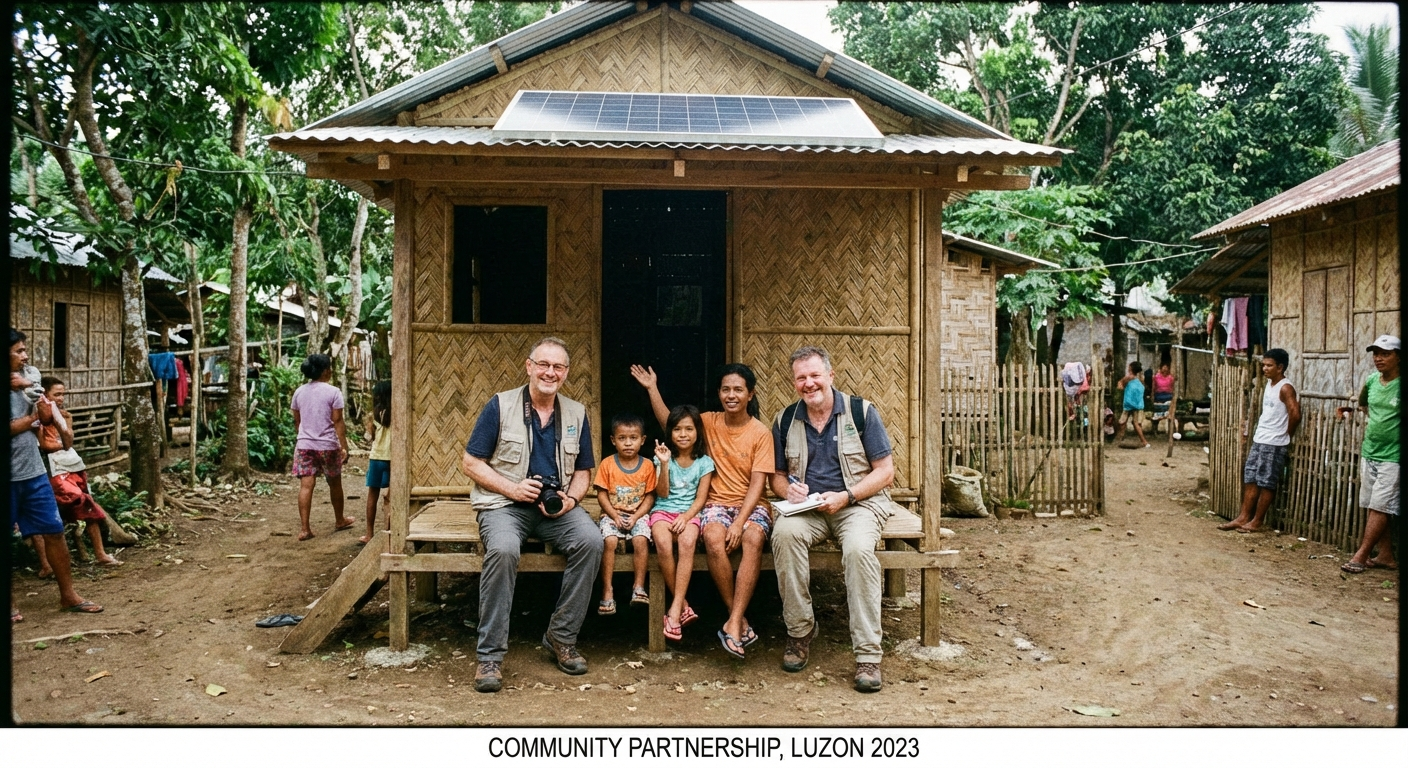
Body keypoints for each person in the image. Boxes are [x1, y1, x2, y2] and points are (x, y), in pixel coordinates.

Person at [461, 337, 598, 693]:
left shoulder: (577, 413)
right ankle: (490, 655)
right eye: (543, 364)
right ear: (529, 366)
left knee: (591, 540)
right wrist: (512, 489)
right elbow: (471, 462)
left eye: (558, 367)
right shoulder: (500, 405)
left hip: (555, 507)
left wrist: (572, 498)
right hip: (504, 505)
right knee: (504, 550)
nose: (549, 372)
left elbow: (584, 471)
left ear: (566, 373)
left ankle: (561, 636)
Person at [769, 346, 901, 693]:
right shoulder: (785, 419)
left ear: (830, 375)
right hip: (809, 509)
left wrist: (848, 496)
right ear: (794, 382)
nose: (808, 383)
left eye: (815, 375)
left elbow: (885, 472)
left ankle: (868, 654)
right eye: (801, 378)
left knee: (859, 552)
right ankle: (800, 632)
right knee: (783, 535)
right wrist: (788, 492)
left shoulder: (861, 412)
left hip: (857, 505)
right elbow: (777, 476)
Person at [632, 362, 774, 661]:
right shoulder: (709, 422)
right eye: (726, 389)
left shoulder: (761, 433)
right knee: (712, 538)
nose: (731, 395)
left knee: (752, 540)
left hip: (750, 505)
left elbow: (758, 485)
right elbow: (672, 423)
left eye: (738, 390)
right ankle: (737, 618)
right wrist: (652, 389)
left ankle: (734, 620)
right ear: (719, 393)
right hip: (715, 504)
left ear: (751, 394)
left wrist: (739, 522)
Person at [9, 328, 101, 620]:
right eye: (18, 351)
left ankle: (68, 596)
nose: (25, 355)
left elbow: (45, 417)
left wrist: (40, 408)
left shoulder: (29, 378)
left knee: (54, 531)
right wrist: (34, 417)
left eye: (24, 350)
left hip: (33, 472)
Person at [39, 376, 121, 566]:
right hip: (56, 470)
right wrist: (58, 442)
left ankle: (100, 554)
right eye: (56, 394)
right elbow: (45, 445)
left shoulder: (65, 416)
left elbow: (68, 442)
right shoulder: (40, 419)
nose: (60, 398)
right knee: (72, 508)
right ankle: (49, 563)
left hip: (74, 465)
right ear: (45, 395)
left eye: (62, 394)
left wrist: (59, 440)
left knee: (90, 508)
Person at [650, 405, 714, 641]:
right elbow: (662, 494)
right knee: (663, 543)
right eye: (677, 429)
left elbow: (701, 499)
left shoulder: (704, 463)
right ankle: (684, 605)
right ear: (670, 432)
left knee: (687, 542)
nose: (683, 434)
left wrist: (686, 518)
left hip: (689, 514)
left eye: (689, 428)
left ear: (698, 432)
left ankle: (675, 608)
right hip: (662, 511)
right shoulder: (662, 458)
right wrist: (664, 464)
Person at [1219, 348, 1301, 533]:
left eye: (1269, 365)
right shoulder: (1269, 385)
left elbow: (1295, 414)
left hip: (1274, 442)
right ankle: (1243, 517)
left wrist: (1285, 435)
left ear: (1280, 367)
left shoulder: (1286, 387)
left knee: (1266, 481)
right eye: (1263, 365)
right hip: (1261, 439)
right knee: (1251, 478)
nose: (1264, 368)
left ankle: (1257, 521)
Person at [1339, 335, 1400, 573]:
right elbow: (1363, 404)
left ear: (1399, 357)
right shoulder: (1373, 380)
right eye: (1376, 354)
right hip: (1370, 451)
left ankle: (1361, 555)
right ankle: (1385, 555)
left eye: (1385, 353)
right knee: (1374, 504)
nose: (1378, 358)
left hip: (1394, 456)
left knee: (1380, 505)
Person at [594, 413, 657, 614]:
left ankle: (638, 588)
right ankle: (607, 590)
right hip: (612, 515)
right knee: (610, 541)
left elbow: (650, 497)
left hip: (637, 515)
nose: (628, 443)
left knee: (640, 540)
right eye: (622, 438)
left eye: (633, 438)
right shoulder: (607, 464)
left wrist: (637, 516)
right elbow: (602, 495)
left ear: (642, 440)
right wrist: (614, 515)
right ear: (613, 440)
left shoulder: (647, 465)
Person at [290, 354, 351, 541]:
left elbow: (297, 421)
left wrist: (304, 437)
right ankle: (339, 520)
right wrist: (344, 445)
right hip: (328, 445)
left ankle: (305, 529)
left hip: (305, 445)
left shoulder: (299, 392)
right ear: (326, 371)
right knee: (335, 483)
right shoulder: (333, 392)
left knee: (306, 486)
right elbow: (338, 421)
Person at [362, 380, 392, 545]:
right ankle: (391, 531)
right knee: (392, 496)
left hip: (376, 458)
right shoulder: (397, 413)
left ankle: (369, 533)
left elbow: (369, 437)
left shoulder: (374, 414)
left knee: (372, 496)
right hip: (393, 459)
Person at [1116, 361, 1150, 447]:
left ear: (1131, 368)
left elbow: (1120, 385)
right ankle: (1144, 442)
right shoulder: (1141, 378)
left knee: (1123, 422)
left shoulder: (1129, 377)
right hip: (1137, 404)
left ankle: (1120, 439)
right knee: (1136, 424)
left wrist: (1122, 388)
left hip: (1128, 403)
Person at [1152, 362, 1176, 433]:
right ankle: (1155, 429)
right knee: (1157, 414)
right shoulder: (1156, 377)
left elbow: (1173, 387)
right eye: (1163, 367)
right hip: (1158, 397)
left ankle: (1172, 430)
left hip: (1168, 396)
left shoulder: (1171, 377)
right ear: (1161, 368)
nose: (1165, 369)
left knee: (1169, 414)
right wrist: (1152, 396)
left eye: (1166, 367)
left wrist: (1173, 397)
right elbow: (1154, 387)